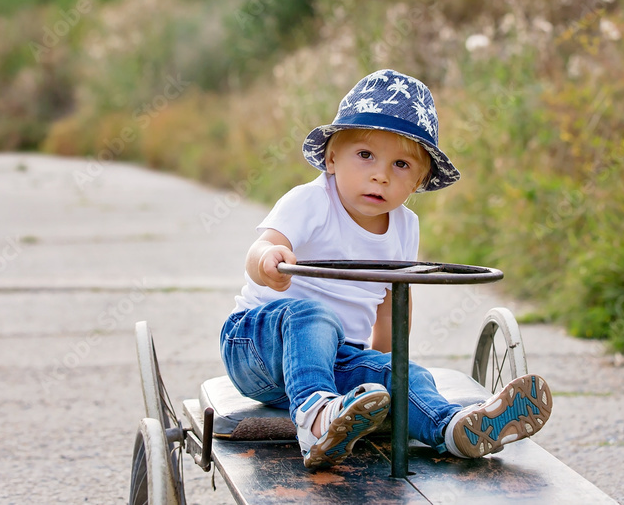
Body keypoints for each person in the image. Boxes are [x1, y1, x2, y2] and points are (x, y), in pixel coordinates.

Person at [220, 69, 552, 470]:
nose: (380, 174)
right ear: (331, 158)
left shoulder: (405, 226)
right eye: (365, 156)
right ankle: (315, 419)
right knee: (311, 313)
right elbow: (265, 245)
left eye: (400, 164)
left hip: (337, 358)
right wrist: (267, 261)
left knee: (404, 374)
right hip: (258, 345)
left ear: (419, 180)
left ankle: (455, 429)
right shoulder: (310, 201)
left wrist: (382, 370)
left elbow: (393, 299)